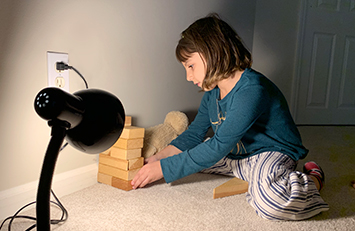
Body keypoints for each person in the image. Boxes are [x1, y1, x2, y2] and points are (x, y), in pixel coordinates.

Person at [131, 13, 329, 221]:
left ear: (212, 52)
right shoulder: (212, 94)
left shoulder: (252, 89)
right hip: (236, 154)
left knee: (270, 203)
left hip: (270, 151)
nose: (189, 77)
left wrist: (163, 169)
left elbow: (217, 146)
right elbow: (194, 135)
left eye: (191, 66)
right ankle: (257, 177)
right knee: (194, 155)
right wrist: (158, 159)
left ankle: (313, 178)